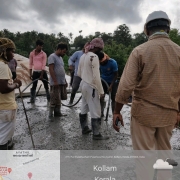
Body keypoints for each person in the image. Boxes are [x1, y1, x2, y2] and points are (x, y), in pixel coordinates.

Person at [113, 10, 180, 179]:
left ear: (147, 30)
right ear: (168, 29)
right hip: (169, 114)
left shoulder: (140, 51)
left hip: (144, 114)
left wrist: (116, 111)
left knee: (145, 159)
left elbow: (125, 86)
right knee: (165, 154)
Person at [77, 38, 109, 140]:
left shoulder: (83, 56)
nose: (100, 50)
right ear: (96, 47)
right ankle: (96, 134)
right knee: (95, 109)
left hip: (83, 83)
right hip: (91, 86)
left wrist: (85, 78)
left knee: (84, 106)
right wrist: (101, 91)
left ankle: (85, 128)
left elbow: (78, 73)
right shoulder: (94, 57)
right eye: (100, 48)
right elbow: (96, 76)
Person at [0, 38, 22, 150]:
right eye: (11, 51)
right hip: (5, 107)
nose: (13, 54)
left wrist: (12, 82)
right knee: (2, 139)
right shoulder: (2, 66)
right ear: (4, 51)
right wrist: (16, 84)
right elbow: (3, 88)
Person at [48, 43, 68, 118]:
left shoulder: (60, 58)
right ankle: (50, 114)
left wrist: (65, 80)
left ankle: (57, 113)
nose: (64, 53)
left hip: (61, 82)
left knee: (59, 98)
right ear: (59, 49)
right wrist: (55, 81)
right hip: (55, 82)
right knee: (54, 98)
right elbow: (51, 69)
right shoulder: (52, 56)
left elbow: (62, 70)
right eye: (64, 51)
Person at [97, 52, 118, 116]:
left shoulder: (112, 62)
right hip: (103, 81)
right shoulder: (98, 63)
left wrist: (111, 86)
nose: (102, 63)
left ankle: (114, 114)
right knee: (101, 97)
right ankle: (101, 111)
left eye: (103, 61)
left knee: (113, 98)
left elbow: (116, 75)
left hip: (113, 82)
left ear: (105, 59)